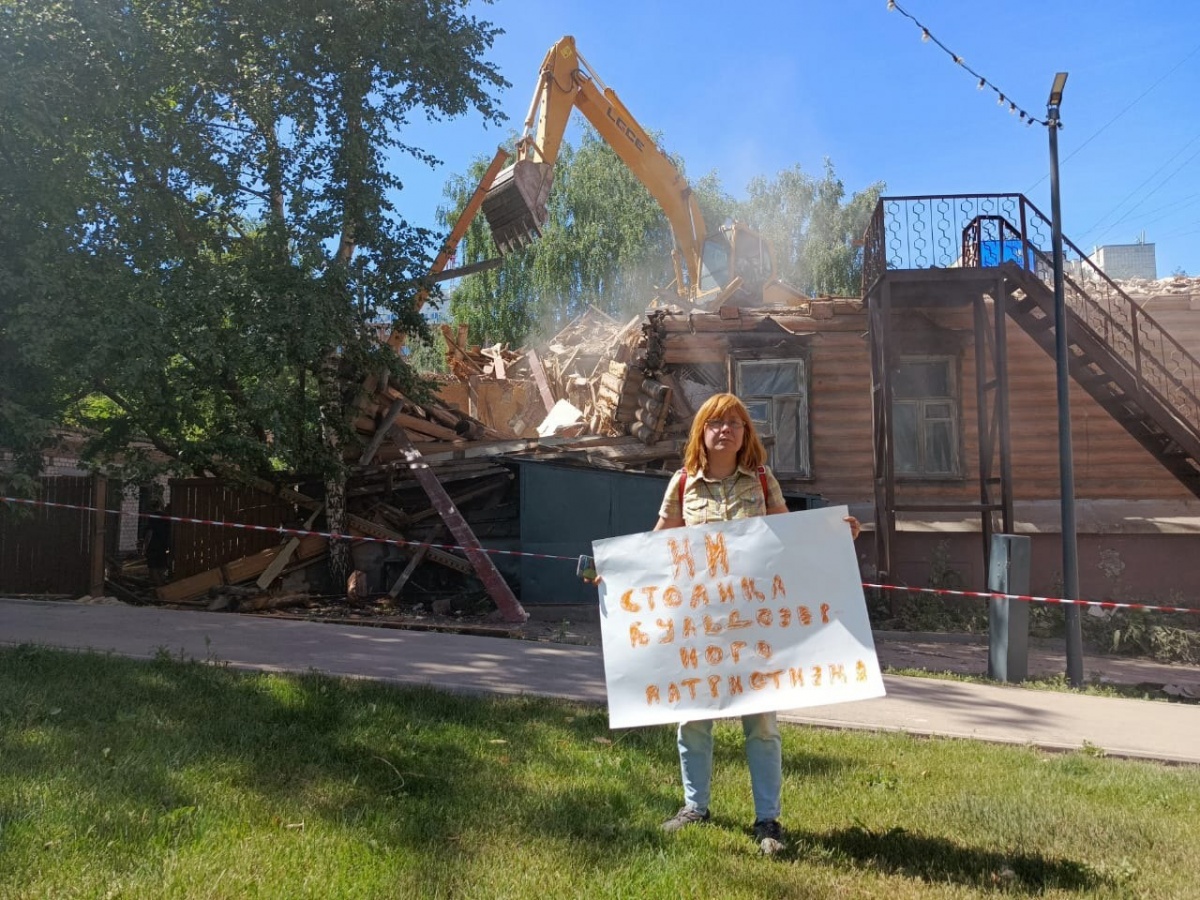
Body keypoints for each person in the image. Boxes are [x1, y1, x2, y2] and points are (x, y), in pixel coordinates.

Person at [654, 392, 860, 856]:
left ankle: (768, 821)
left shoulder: (763, 481)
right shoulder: (683, 482)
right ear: (701, 432)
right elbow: (659, 540)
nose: (724, 430)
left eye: (734, 423)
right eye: (715, 423)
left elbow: (790, 535)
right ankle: (694, 807)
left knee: (762, 721)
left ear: (746, 433)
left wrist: (831, 536)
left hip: (754, 622)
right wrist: (618, 575)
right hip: (701, 621)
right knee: (692, 719)